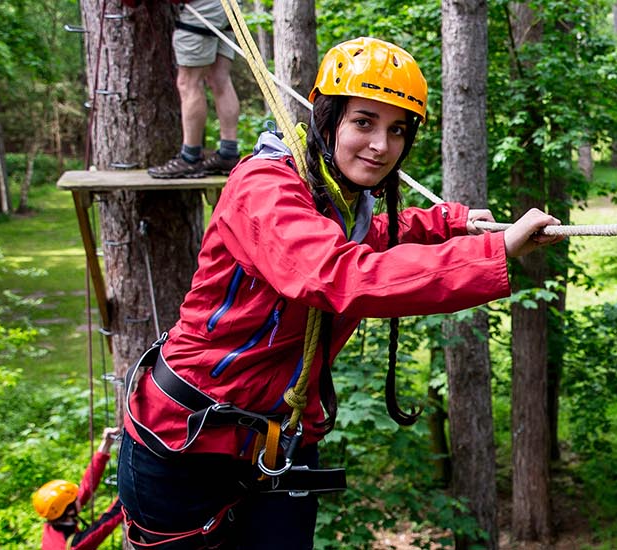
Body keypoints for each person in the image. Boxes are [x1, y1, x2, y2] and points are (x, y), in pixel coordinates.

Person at [117, 37, 564, 548]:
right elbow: (340, 273)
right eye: (364, 122)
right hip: (184, 444)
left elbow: (371, 234)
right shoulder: (265, 188)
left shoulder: (338, 199)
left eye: (397, 130)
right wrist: (494, 253)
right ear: (327, 118)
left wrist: (449, 223)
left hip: (276, 441)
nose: (381, 145)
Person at [148, 0, 241, 179]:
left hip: (202, 4)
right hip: (228, 4)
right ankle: (228, 153)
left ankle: (190, 157)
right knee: (219, 79)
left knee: (189, 82)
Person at [34, 428, 125, 550]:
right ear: (70, 511)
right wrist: (131, 490)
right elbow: (108, 521)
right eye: (75, 499)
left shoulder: (55, 519)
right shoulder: (74, 545)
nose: (79, 498)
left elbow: (87, 487)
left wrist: (105, 445)